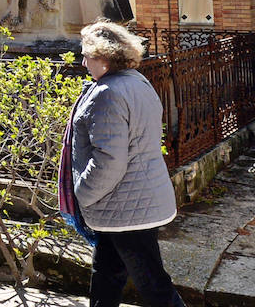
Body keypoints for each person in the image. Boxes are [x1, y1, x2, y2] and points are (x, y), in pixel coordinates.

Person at [60, 20, 185, 307]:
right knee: (106, 275)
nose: (83, 62)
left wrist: (83, 194)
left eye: (87, 56)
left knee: (154, 286)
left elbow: (109, 161)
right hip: (135, 202)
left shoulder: (107, 93)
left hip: (125, 209)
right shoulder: (137, 83)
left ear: (104, 57)